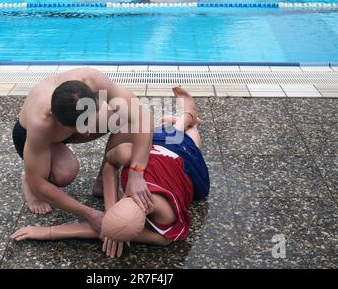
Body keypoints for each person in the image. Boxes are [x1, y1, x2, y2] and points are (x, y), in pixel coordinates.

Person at [11, 87, 210, 258]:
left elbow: (96, 230)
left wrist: (48, 232)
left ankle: (186, 118)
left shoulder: (165, 225)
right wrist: (111, 214)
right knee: (179, 136)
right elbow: (109, 167)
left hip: (184, 164)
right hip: (160, 155)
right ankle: (185, 118)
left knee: (190, 139)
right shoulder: (126, 154)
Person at [12, 68, 155, 234]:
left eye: (88, 122)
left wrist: (137, 174)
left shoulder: (94, 81)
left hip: (65, 124)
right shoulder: (40, 122)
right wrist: (89, 214)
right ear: (54, 116)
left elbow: (144, 117)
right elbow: (40, 184)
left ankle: (102, 182)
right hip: (33, 137)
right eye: (79, 128)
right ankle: (28, 176)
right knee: (64, 173)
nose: (87, 131)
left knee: (128, 117)